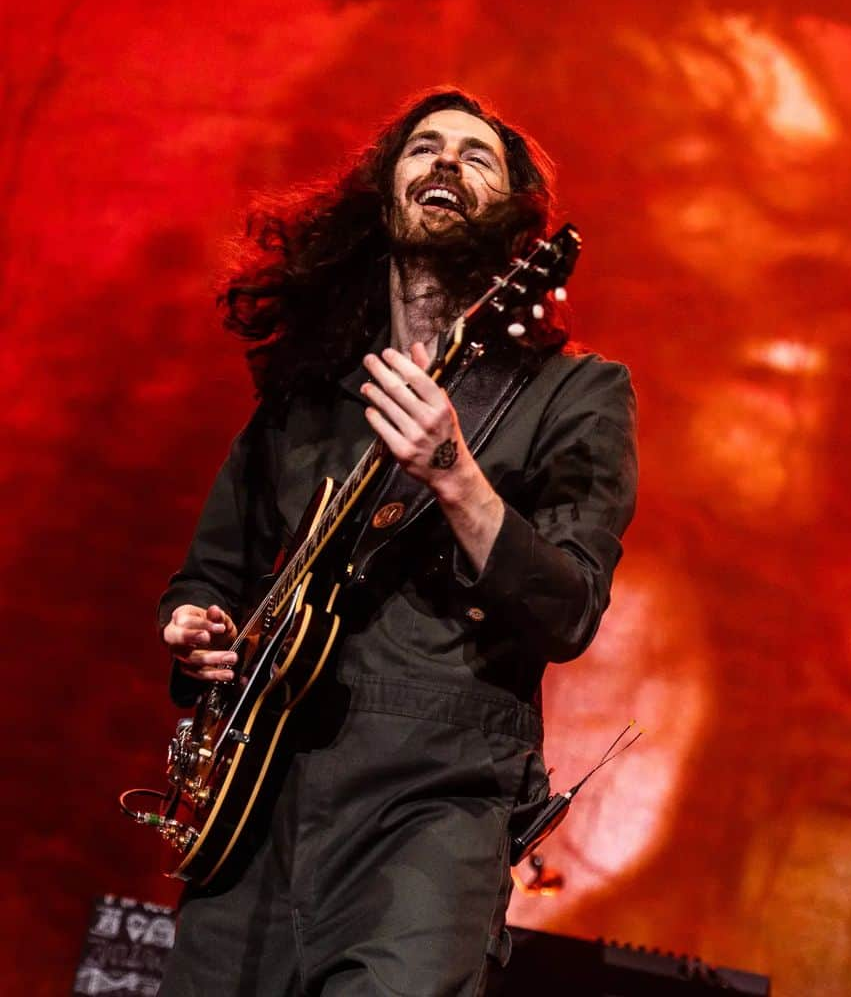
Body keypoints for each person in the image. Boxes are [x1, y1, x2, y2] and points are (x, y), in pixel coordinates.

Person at [156, 89, 637, 996]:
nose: (447, 162)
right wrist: (192, 622)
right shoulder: (308, 394)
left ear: (513, 222)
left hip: (432, 806)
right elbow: (208, 571)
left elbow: (570, 609)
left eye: (477, 156)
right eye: (424, 148)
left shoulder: (575, 395)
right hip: (260, 801)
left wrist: (454, 472)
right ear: (384, 196)